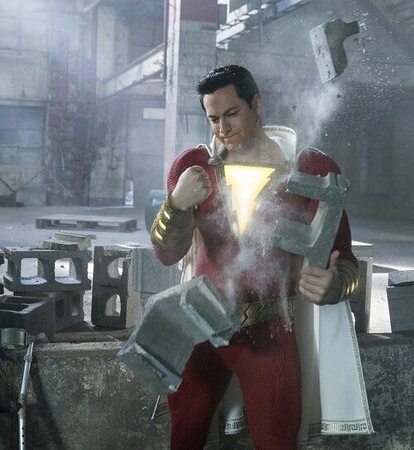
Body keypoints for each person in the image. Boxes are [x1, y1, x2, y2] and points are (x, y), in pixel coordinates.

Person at [150, 65, 359, 449]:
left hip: (270, 330)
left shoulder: (311, 169)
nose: (222, 129)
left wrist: (335, 285)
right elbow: (167, 253)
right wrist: (176, 205)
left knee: (278, 441)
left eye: (232, 114)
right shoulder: (193, 167)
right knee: (184, 436)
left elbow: (344, 260)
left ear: (256, 104)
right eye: (213, 118)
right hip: (199, 325)